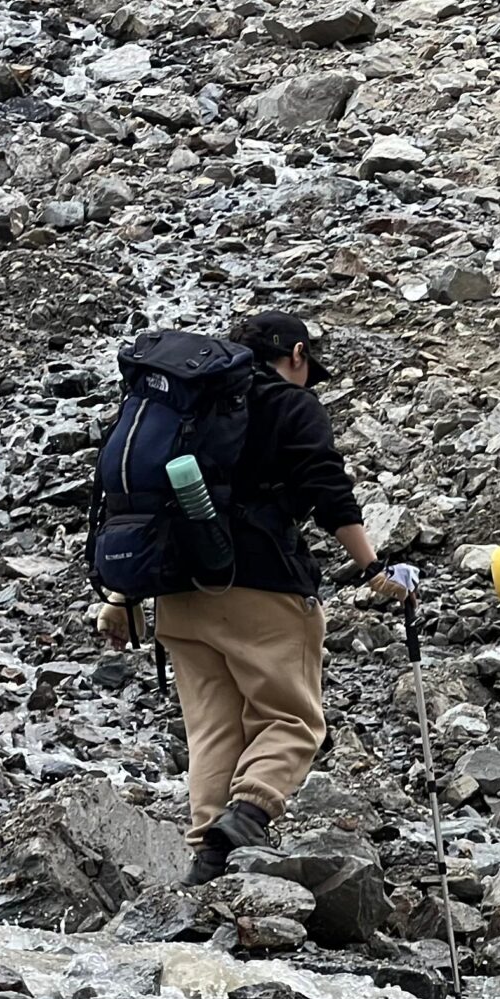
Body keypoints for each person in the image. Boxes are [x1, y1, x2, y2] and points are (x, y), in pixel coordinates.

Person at [98, 312, 406, 887]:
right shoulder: (291, 405)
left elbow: (141, 502)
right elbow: (326, 485)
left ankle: (207, 865)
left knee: (213, 729)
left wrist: (122, 595)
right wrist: (372, 566)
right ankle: (249, 814)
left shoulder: (186, 408)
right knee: (292, 720)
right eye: (309, 367)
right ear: (295, 353)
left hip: (176, 593)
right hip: (262, 586)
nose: (308, 379)